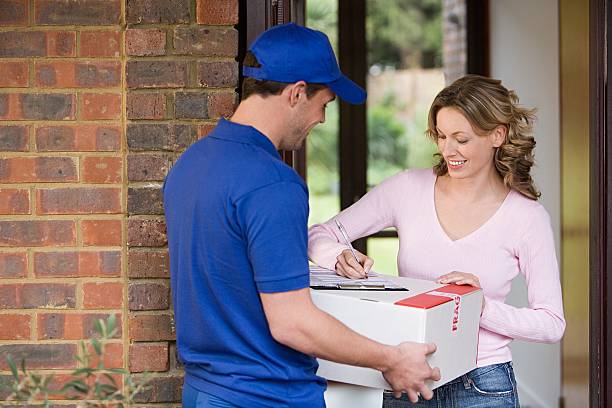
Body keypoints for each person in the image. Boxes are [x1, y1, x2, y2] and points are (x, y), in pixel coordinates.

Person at [163, 23, 440, 408]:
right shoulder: (273, 183)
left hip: (203, 392)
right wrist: (391, 359)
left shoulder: (190, 165)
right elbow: (292, 322)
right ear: (296, 93)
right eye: (323, 104)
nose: (322, 119)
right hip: (266, 396)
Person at [308, 74, 566, 407]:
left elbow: (551, 324)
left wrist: (481, 306)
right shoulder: (406, 189)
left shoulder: (527, 217)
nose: (447, 150)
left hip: (483, 384)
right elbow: (319, 234)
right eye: (441, 136)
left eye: (461, 138)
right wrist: (337, 254)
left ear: (497, 135)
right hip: (407, 375)